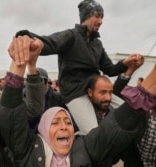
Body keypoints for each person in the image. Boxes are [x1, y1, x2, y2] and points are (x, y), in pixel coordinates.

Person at [0, 24, 156, 167]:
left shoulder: (85, 147)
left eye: (67, 121)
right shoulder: (27, 149)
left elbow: (118, 124)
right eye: (55, 123)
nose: (65, 126)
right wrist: (21, 59)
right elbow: (10, 119)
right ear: (43, 132)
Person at [13, 0, 143, 135]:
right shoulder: (71, 36)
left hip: (94, 88)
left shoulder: (97, 44)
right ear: (86, 16)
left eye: (102, 17)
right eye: (97, 15)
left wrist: (125, 62)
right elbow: (49, 43)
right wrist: (26, 37)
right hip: (75, 92)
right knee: (93, 134)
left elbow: (110, 69)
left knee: (130, 113)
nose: (101, 21)